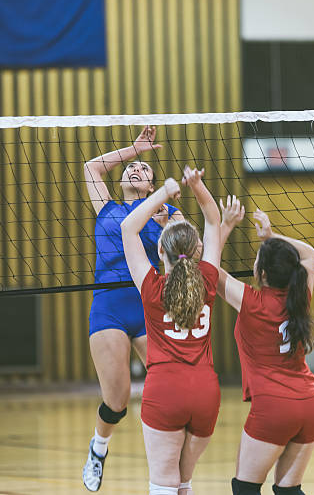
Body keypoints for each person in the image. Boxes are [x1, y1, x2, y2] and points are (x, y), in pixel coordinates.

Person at [82, 126, 183, 492]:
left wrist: (172, 225)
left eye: (145, 170)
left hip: (148, 305)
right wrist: (134, 149)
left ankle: (166, 464)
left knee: (169, 383)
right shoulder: (106, 207)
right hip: (108, 306)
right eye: (132, 168)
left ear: (152, 186)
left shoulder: (166, 212)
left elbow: (191, 247)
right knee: (118, 400)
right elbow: (91, 168)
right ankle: (99, 446)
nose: (136, 170)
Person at [121, 166, 221, 495]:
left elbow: (128, 228)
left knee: (164, 483)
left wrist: (163, 191)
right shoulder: (208, 279)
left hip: (165, 392)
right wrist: (197, 186)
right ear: (198, 253)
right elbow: (213, 219)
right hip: (206, 393)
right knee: (184, 482)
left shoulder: (152, 288)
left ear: (160, 251)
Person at [218, 197, 314, 495]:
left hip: (275, 408)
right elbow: (309, 253)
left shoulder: (251, 301)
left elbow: (208, 270)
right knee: (288, 491)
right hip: (311, 403)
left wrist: (225, 226)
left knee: (245, 489)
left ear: (261, 273)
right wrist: (270, 235)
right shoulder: (300, 293)